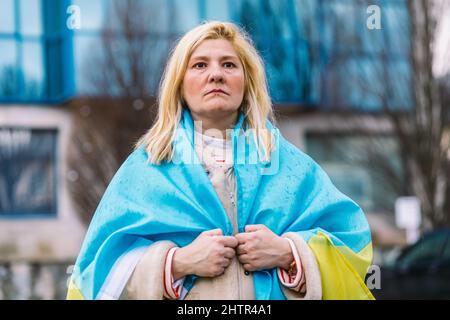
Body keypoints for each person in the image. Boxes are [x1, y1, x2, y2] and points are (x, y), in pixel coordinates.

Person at [67, 21, 374, 300]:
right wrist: (177, 263)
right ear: (180, 85)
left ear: (247, 82)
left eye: (229, 64)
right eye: (200, 65)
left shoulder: (291, 166)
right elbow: (97, 273)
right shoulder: (146, 167)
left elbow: (352, 243)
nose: (216, 74)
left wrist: (287, 252)